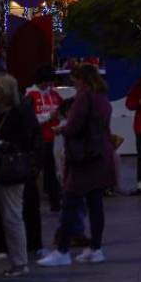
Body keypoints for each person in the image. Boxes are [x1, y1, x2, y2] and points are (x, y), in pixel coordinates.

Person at [39, 64, 117, 267]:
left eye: (74, 79)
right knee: (95, 204)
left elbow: (74, 126)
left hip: (83, 159)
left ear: (82, 79)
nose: (72, 82)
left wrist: (61, 130)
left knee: (70, 202)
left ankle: (62, 250)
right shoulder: (102, 97)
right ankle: (96, 249)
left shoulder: (84, 97)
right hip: (100, 155)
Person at [0, 72, 40, 277]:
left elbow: (26, 141)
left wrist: (4, 145)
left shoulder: (18, 114)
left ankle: (19, 263)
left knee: (11, 217)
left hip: (9, 170)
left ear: (6, 93)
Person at [25, 65, 64, 216]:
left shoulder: (54, 94)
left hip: (54, 138)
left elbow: (63, 110)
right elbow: (30, 120)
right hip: (39, 140)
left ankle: (56, 203)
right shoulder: (30, 96)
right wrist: (50, 116)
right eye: (48, 82)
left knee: (52, 172)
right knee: (35, 172)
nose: (50, 85)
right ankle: (29, 201)